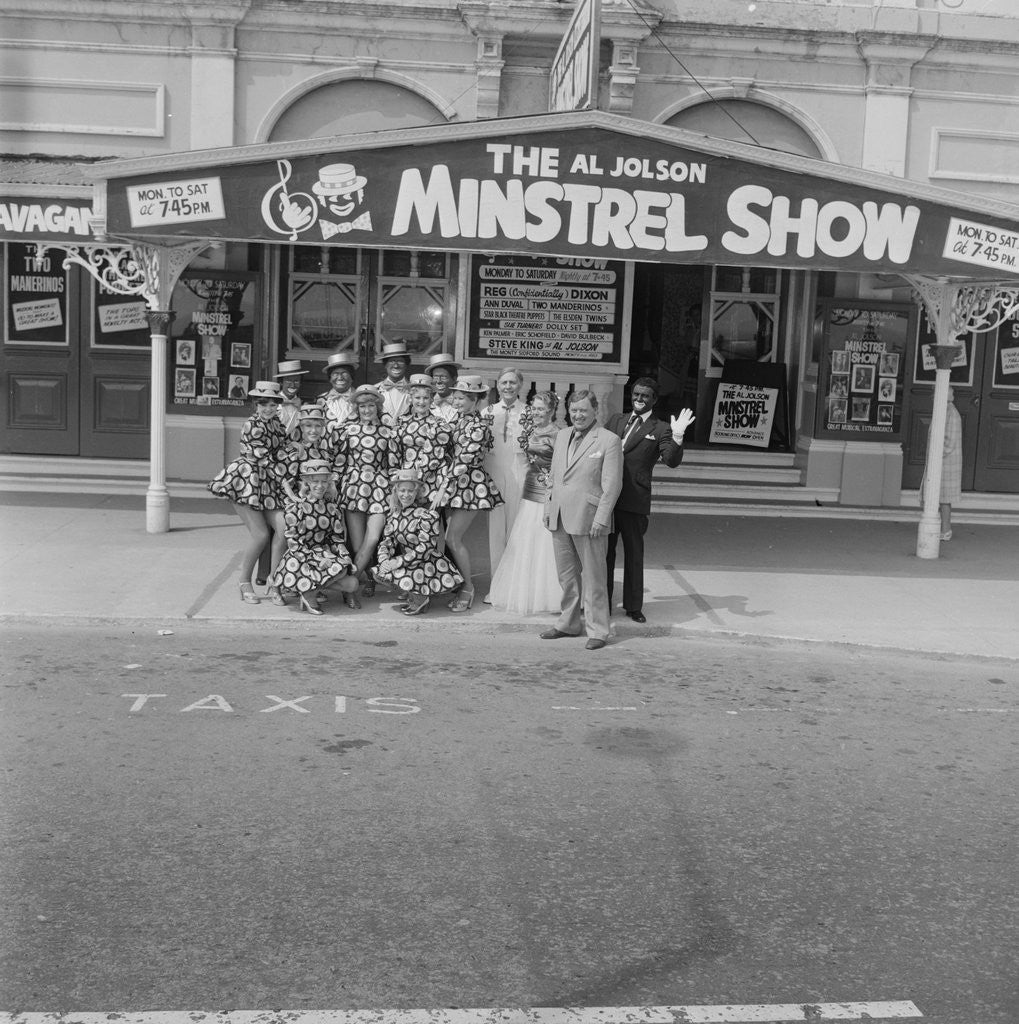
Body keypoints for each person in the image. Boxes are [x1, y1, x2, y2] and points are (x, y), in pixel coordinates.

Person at [605, 377, 695, 623]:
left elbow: (671, 460)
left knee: (634, 554)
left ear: (654, 399)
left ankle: (634, 607)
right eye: (636, 395)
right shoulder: (616, 420)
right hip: (608, 499)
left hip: (634, 500)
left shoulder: (661, 428)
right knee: (605, 554)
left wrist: (677, 437)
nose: (639, 399)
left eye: (645, 396)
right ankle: (602, 602)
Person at [540, 390, 623, 650]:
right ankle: (569, 623)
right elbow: (553, 476)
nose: (578, 415)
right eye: (574, 410)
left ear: (595, 411)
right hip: (560, 515)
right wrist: (548, 506)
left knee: (595, 577)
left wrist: (602, 518)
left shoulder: (608, 440)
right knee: (567, 575)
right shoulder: (562, 435)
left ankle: (599, 629)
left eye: (583, 410)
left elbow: (612, 485)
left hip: (590, 519)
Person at [207, 380, 289, 605]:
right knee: (261, 534)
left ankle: (275, 582)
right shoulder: (252, 425)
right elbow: (265, 459)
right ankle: (244, 582)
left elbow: (283, 448)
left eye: (273, 404)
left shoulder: (276, 424)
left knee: (284, 528)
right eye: (263, 404)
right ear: (255, 404)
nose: (268, 408)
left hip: (269, 484)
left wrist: (297, 447)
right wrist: (288, 487)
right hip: (248, 482)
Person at [487, 391, 563, 616]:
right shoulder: (529, 430)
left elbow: (561, 464)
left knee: (545, 542)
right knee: (524, 540)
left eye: (541, 409)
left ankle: (549, 594)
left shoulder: (559, 434)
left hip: (547, 492)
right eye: (534, 408)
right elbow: (520, 456)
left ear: (551, 411)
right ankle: (524, 591)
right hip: (529, 487)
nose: (537, 412)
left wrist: (551, 485)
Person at [437, 374, 503, 613]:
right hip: (454, 485)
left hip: (469, 487)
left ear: (475, 400)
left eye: (462, 398)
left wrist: (443, 485)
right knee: (448, 538)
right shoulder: (457, 421)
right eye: (455, 397)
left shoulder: (479, 425)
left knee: (452, 538)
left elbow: (464, 459)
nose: (456, 402)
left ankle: (468, 587)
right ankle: (455, 583)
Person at [333, 384, 398, 602]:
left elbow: (392, 466)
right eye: (362, 406)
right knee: (358, 543)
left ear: (377, 407)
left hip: (379, 489)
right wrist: (334, 486)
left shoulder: (388, 432)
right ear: (357, 408)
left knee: (372, 540)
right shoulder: (347, 430)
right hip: (353, 488)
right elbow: (340, 463)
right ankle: (364, 582)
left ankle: (347, 588)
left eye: (371, 405)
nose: (367, 410)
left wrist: (394, 492)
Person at [270, 459, 358, 615]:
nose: (320, 485)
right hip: (299, 557)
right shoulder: (296, 508)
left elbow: (336, 539)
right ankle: (309, 595)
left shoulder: (332, 508)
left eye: (324, 481)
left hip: (323, 553)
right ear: (307, 483)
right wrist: (317, 560)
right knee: (339, 571)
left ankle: (308, 589)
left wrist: (345, 557)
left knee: (352, 583)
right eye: (315, 481)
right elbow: (294, 543)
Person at [374, 468, 464, 616]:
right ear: (396, 491)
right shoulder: (394, 515)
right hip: (409, 561)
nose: (406, 495)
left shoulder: (426, 515)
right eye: (402, 490)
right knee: (380, 572)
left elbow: (426, 548)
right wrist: (384, 560)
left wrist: (399, 562)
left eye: (410, 491)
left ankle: (421, 598)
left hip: (426, 562)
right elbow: (387, 542)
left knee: (402, 569)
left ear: (417, 493)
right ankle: (415, 595)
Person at [481, 366, 531, 597]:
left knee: (517, 531)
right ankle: (497, 587)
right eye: (504, 383)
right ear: (497, 386)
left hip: (520, 475)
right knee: (496, 534)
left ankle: (516, 587)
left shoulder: (530, 413)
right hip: (494, 475)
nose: (508, 387)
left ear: (520, 385)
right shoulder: (487, 412)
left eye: (512, 382)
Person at [392, 373, 453, 507]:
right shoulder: (402, 421)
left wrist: (416, 480)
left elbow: (433, 457)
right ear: (411, 398)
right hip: (404, 479)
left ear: (431, 400)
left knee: (425, 521)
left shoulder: (439, 424)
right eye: (417, 397)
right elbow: (394, 451)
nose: (421, 402)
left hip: (429, 479)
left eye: (426, 398)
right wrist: (397, 478)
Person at [922, 385, 963, 541]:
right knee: (940, 496)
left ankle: (945, 529)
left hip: (946, 462)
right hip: (941, 461)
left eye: (935, 394)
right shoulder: (944, 411)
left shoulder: (951, 413)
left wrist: (935, 454)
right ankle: (942, 527)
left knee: (944, 497)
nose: (932, 398)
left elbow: (949, 442)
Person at [319, 350, 359, 430]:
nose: (340, 378)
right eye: (335, 374)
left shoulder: (361, 398)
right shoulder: (320, 400)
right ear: (330, 379)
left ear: (352, 377)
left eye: (344, 373)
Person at [375, 341, 412, 423]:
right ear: (385, 365)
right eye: (391, 361)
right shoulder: (374, 390)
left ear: (406, 364)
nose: (396, 365)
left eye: (400, 361)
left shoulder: (415, 390)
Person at [274, 359, 308, 437]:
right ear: (281, 382)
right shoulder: (272, 402)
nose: (292, 385)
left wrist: (301, 409)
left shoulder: (304, 406)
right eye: (288, 381)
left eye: (296, 381)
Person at [426, 351, 460, 423]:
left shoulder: (462, 402)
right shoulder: (425, 402)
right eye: (435, 377)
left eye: (443, 377)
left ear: (454, 379)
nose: (439, 381)